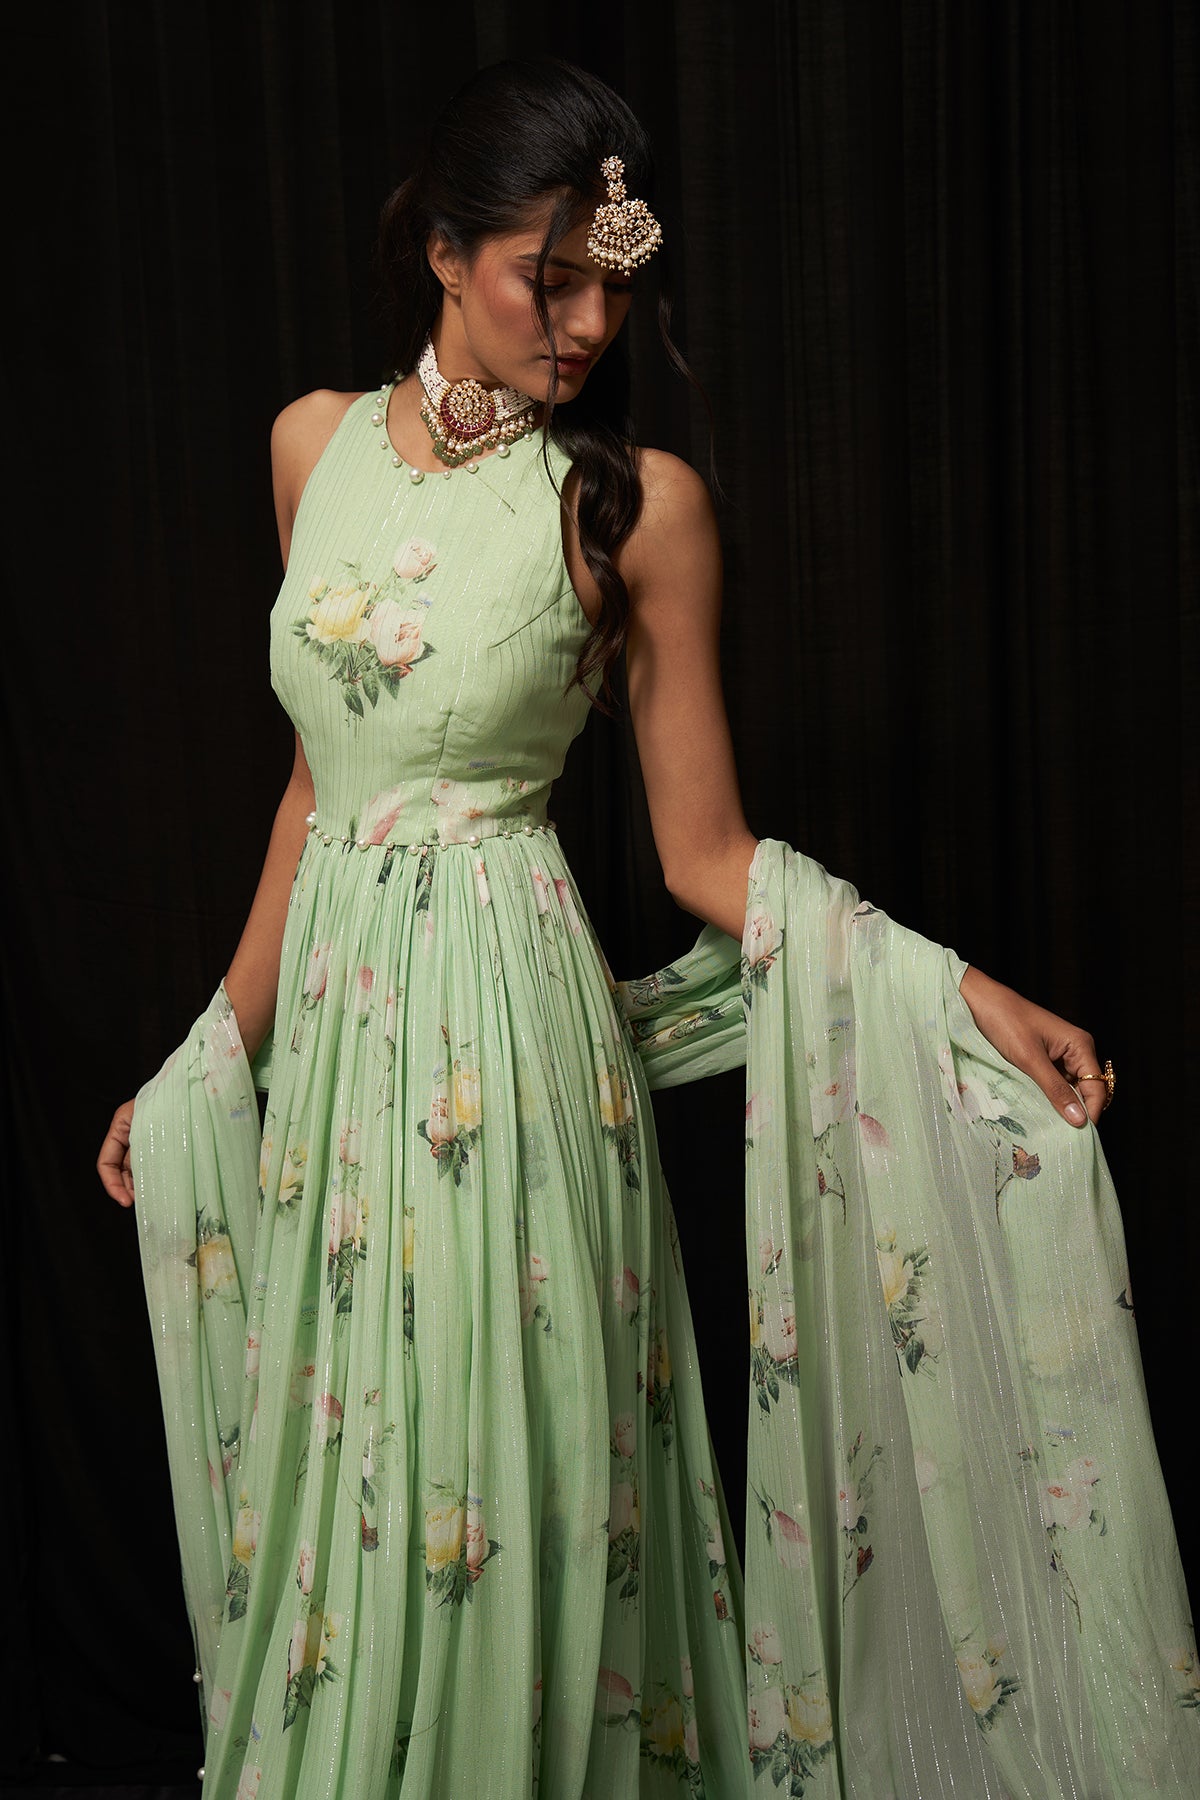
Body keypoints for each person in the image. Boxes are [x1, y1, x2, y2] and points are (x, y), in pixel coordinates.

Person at [97, 58, 1195, 1800]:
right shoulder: (312, 447)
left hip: (514, 1052)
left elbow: (706, 856)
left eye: (616, 284)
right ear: (445, 252)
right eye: (550, 279)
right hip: (342, 1074)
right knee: (360, 1483)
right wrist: (211, 1052)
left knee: (502, 1482)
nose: (593, 324)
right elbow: (316, 792)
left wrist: (961, 993)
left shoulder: (633, 506)